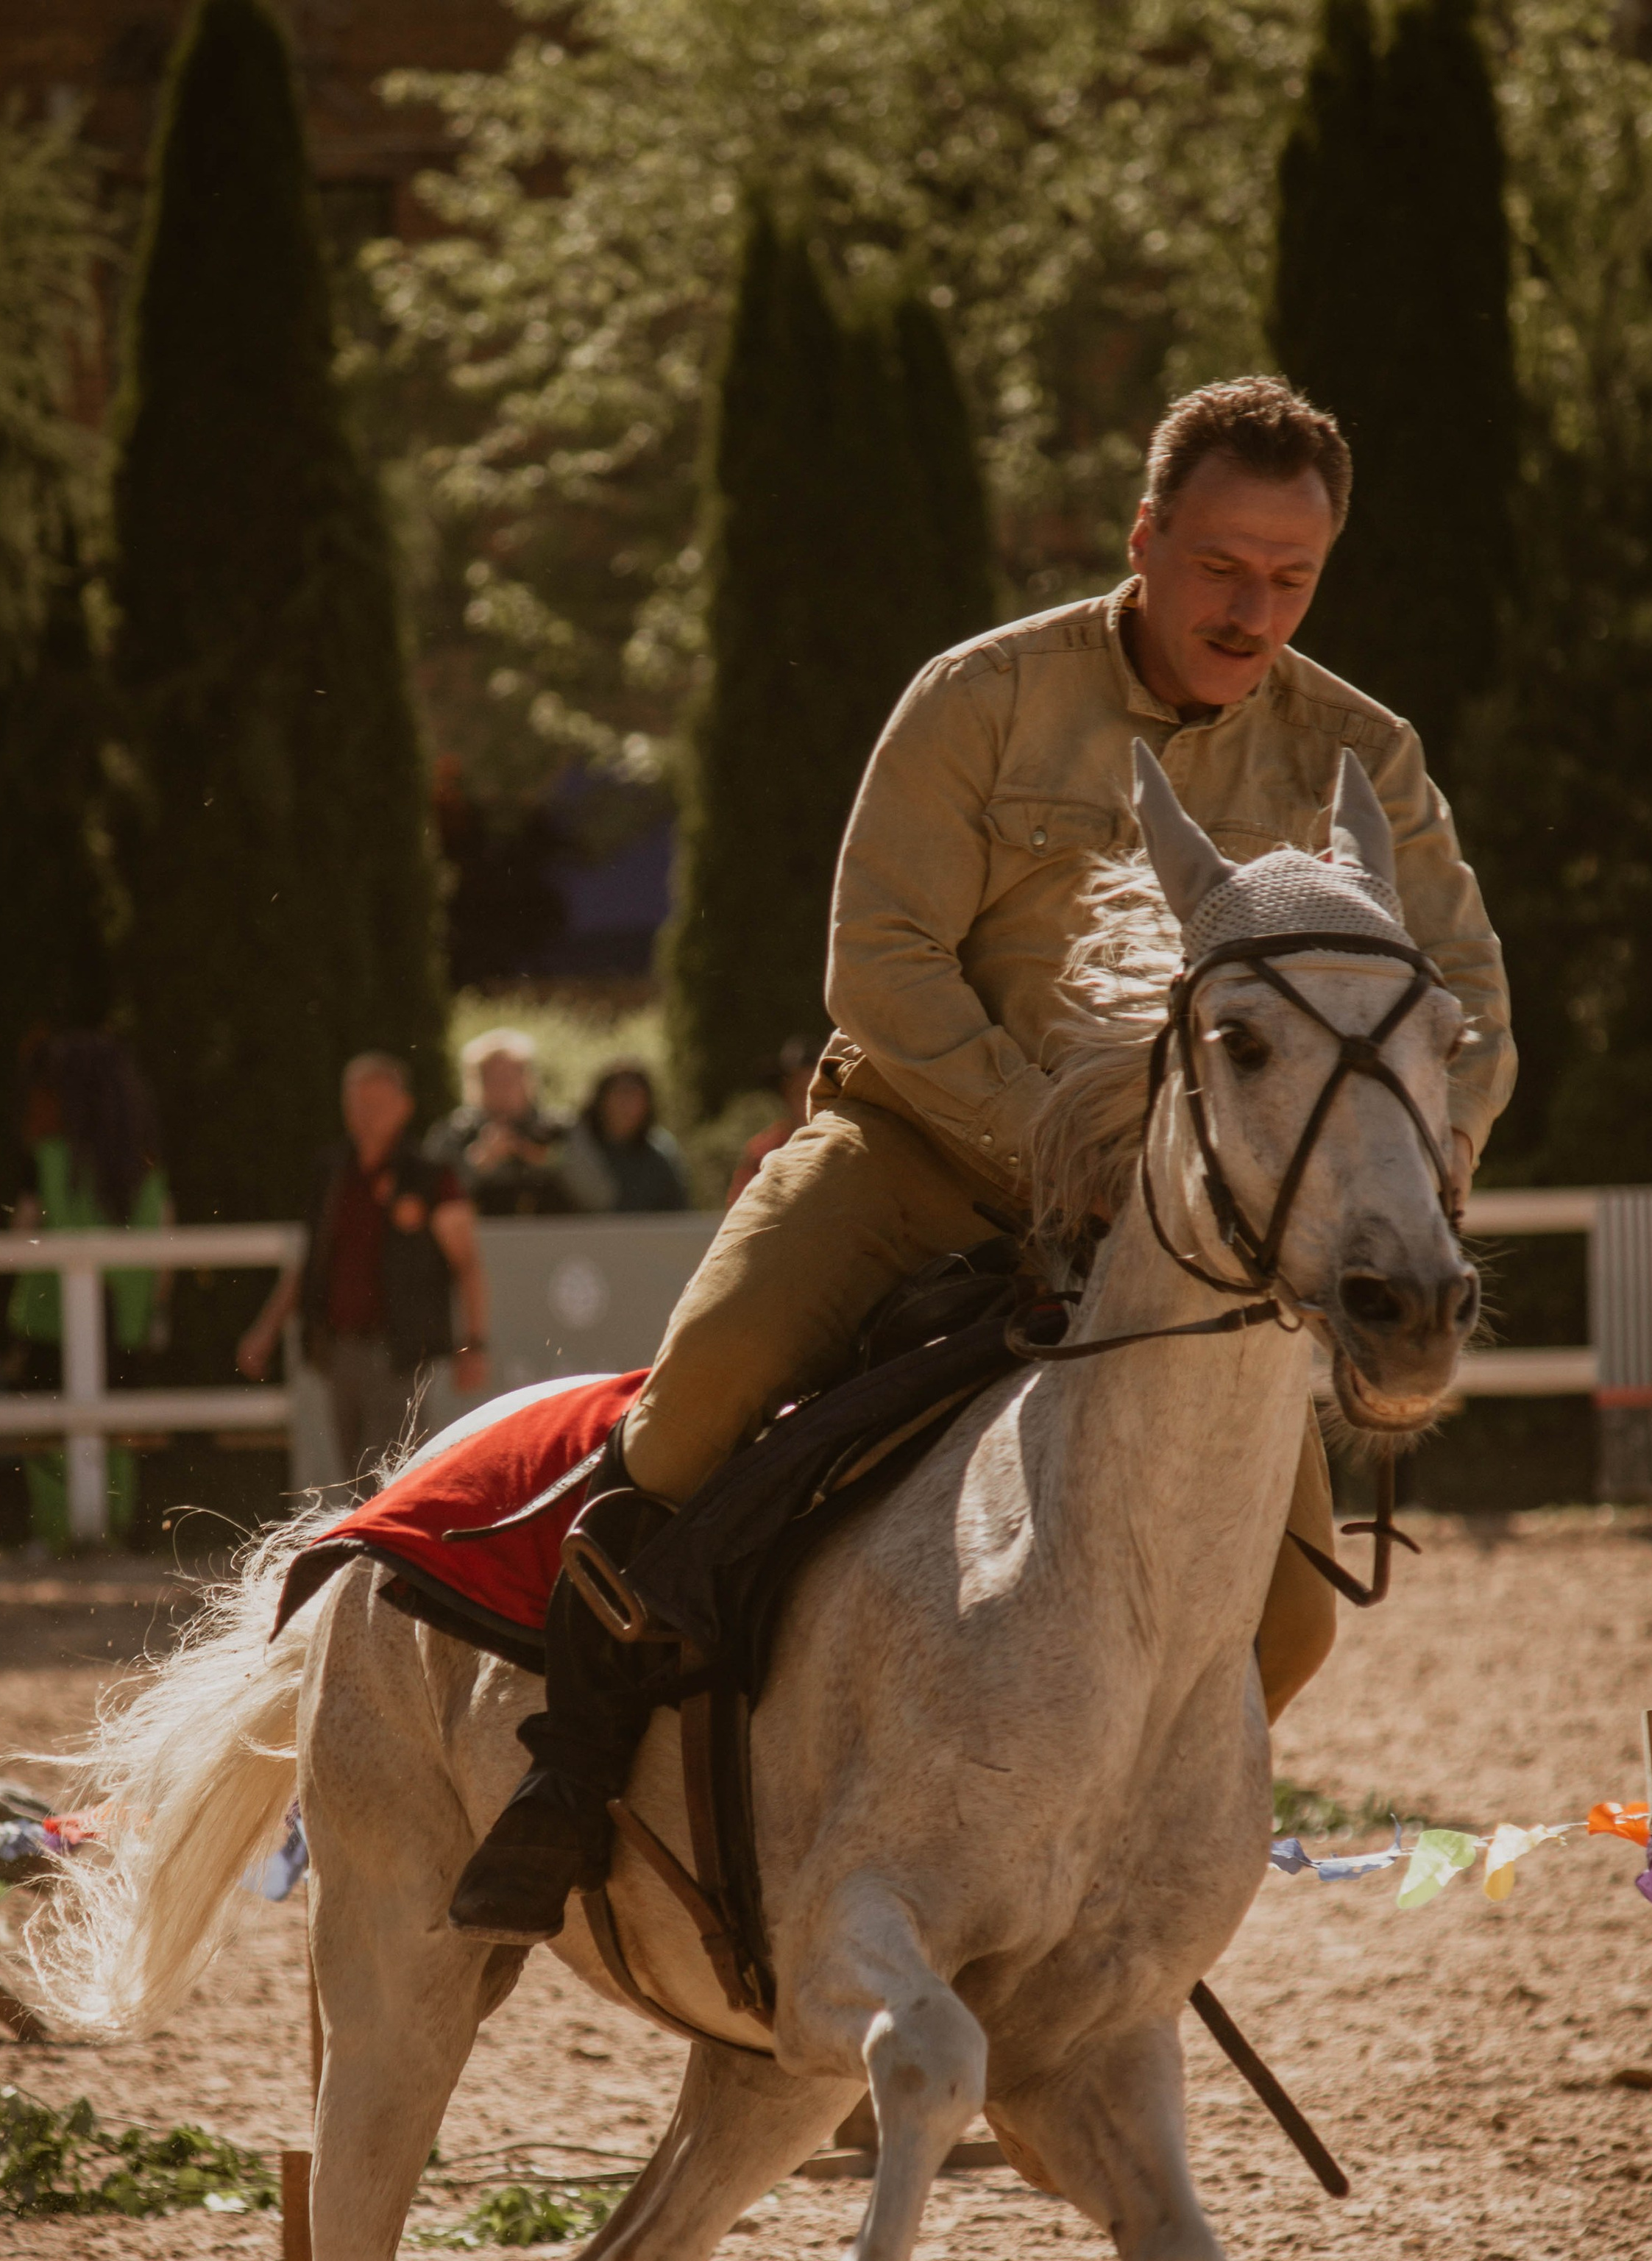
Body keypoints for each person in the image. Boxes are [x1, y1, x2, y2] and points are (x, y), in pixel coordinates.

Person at [451, 374, 1517, 1941]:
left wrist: (1384, 1191)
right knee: (694, 1412)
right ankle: (567, 1771)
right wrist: (1048, 1148)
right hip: (915, 1154)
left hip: (1198, 1238)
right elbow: (878, 962)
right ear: (1143, 537)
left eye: (1289, 579)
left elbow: (1469, 1013)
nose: (1251, 610)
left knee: (1285, 1622)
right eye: (1219, 566)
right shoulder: (980, 695)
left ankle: (1090, 1879)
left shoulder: (1364, 752)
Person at [238, 1053, 489, 1482]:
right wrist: (266, 1330)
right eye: (356, 1104)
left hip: (399, 1350)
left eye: (377, 1104)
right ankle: (370, 1549)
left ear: (404, 1107)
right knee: (355, 1473)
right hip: (338, 1350)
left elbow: (466, 1264)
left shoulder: (429, 1177)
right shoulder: (332, 1172)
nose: (365, 1116)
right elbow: (312, 1264)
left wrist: (475, 1344)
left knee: (389, 1477)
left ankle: (384, 1550)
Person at [7, 1031, 171, 1550]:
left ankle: (58, 1531)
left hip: (49, 1314)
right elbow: (165, 1237)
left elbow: (23, 1233)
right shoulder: (144, 1168)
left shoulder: (46, 1160)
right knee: (118, 1427)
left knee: (45, 1426)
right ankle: (114, 1527)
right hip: (126, 1316)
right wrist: (156, 1312)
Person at [426, 1029, 592, 1218]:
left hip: (557, 1243)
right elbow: (426, 1202)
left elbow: (599, 1197)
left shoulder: (561, 1128)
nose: (502, 1088)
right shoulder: (453, 1134)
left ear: (529, 1080)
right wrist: (476, 1164)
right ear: (473, 1085)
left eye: (509, 1077)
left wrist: (549, 1159)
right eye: (491, 1079)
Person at [561, 1060, 689, 1214]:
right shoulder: (579, 1147)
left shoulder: (660, 1154)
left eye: (635, 1096)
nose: (627, 1105)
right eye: (621, 1094)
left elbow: (679, 1214)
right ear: (602, 1100)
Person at [725, 1037, 820, 1208]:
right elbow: (740, 1209)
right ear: (786, 1095)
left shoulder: (846, 1145)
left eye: (814, 1091)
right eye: (800, 1092)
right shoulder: (764, 1151)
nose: (807, 1101)